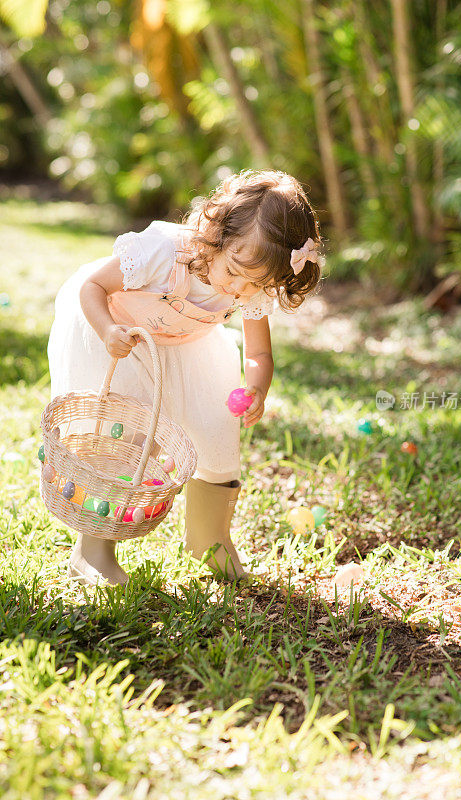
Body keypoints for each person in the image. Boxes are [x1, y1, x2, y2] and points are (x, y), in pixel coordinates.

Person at [47, 169, 323, 586]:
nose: (238, 290)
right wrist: (107, 331)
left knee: (216, 424)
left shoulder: (252, 285)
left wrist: (256, 387)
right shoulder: (160, 253)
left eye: (256, 284)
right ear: (215, 234)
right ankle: (93, 550)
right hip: (116, 328)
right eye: (233, 271)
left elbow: (259, 353)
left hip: (183, 339)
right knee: (121, 434)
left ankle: (210, 539)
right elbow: (92, 287)